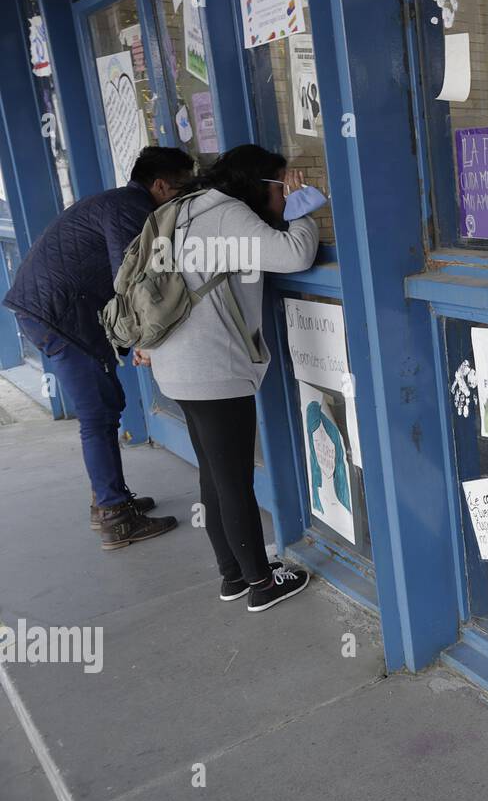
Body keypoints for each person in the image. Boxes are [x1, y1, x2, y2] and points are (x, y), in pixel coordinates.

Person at [144, 144, 322, 613]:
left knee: (215, 473)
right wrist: (304, 209)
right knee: (234, 480)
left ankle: (233, 575)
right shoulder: (226, 214)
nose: (286, 195)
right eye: (283, 185)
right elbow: (295, 254)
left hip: (177, 364)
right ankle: (262, 585)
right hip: (211, 368)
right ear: (262, 185)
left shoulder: (186, 207)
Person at [3, 146, 194, 549]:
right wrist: (145, 341)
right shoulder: (132, 210)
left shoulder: (120, 201)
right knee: (97, 414)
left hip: (52, 309)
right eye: (183, 187)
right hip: (60, 314)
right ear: (160, 185)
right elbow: (133, 279)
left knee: (105, 406)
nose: (185, 197)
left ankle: (112, 500)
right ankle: (113, 515)